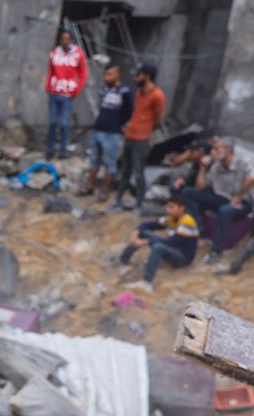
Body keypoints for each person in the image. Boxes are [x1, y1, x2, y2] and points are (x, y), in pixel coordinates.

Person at [179, 139, 254, 265]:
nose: (212, 152)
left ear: (228, 150)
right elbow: (200, 187)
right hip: (223, 198)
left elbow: (252, 177)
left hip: (243, 202)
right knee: (187, 192)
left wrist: (238, 196)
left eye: (216, 149)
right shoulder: (216, 166)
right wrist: (203, 167)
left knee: (225, 211)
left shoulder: (244, 161)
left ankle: (216, 251)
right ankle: (200, 229)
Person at [118, 194, 198, 292]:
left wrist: (145, 242)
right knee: (144, 233)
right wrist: (136, 233)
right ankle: (123, 260)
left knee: (158, 247)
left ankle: (146, 282)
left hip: (183, 257)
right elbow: (148, 224)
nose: (168, 209)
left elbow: (171, 242)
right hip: (172, 248)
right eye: (168, 206)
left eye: (171, 207)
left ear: (181, 208)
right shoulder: (171, 218)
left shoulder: (187, 221)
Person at [116, 64, 166, 209]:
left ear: (147, 76)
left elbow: (159, 121)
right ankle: (118, 200)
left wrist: (145, 130)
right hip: (130, 136)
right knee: (125, 170)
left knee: (138, 172)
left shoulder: (157, 95)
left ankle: (139, 203)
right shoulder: (139, 93)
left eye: (138, 75)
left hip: (142, 140)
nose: (135, 78)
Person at [80, 65, 133, 201]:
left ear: (117, 74)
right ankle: (90, 186)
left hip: (112, 133)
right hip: (98, 129)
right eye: (105, 75)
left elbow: (129, 112)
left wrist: (119, 124)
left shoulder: (124, 92)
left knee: (110, 162)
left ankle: (105, 190)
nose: (106, 78)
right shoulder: (103, 90)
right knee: (94, 160)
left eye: (110, 75)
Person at [44, 29, 88, 160]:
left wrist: (75, 91)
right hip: (54, 93)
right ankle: (50, 149)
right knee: (52, 123)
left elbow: (83, 75)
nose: (65, 41)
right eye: (62, 38)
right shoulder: (54, 54)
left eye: (67, 38)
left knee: (64, 124)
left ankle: (63, 151)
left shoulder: (78, 55)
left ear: (71, 40)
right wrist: (48, 86)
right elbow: (51, 71)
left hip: (68, 95)